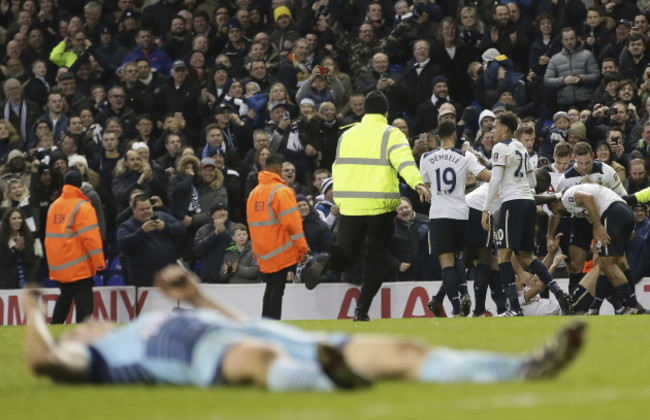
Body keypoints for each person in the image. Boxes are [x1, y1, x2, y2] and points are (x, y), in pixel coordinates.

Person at [23, 264, 587, 389]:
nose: (90, 324)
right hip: (215, 359)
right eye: (79, 328)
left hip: (284, 337)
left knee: (404, 346)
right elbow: (44, 361)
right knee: (259, 363)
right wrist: (33, 312)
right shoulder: (107, 356)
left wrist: (196, 296)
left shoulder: (141, 322)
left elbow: (242, 320)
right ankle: (332, 379)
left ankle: (521, 367)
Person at [301, 91, 431, 322]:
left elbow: (337, 168)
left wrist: (339, 200)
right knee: (376, 261)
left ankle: (324, 260)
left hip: (350, 207)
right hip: (379, 208)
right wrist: (418, 183)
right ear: (385, 112)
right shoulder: (391, 133)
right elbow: (405, 162)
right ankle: (361, 310)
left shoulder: (346, 135)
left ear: (365, 111)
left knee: (346, 256)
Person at [481, 112, 573, 317]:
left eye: (495, 127)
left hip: (511, 203)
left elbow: (494, 180)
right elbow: (532, 182)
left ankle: (514, 308)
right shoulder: (521, 148)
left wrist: (486, 209)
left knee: (503, 256)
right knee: (527, 256)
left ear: (505, 129)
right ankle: (559, 293)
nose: (492, 130)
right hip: (529, 203)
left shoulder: (500, 147)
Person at [420, 120, 491, 317]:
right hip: (460, 214)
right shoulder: (464, 155)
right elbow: (486, 176)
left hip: (439, 214)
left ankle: (457, 307)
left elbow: (424, 186)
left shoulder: (426, 157)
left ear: (437, 137)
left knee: (447, 264)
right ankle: (463, 297)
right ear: (454, 135)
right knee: (458, 257)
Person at [542, 184, 645, 315]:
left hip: (613, 213)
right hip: (623, 212)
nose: (558, 215)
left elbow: (588, 198)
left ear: (554, 205)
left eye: (555, 212)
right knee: (618, 262)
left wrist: (597, 226)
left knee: (607, 265)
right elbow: (593, 219)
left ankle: (632, 304)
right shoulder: (580, 209)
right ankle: (598, 307)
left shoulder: (567, 197)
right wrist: (597, 249)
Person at [247, 154, 309, 320]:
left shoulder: (254, 193)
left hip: (262, 250)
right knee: (277, 290)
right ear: (276, 168)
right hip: (280, 248)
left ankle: (265, 324)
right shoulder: (281, 191)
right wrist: (303, 248)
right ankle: (273, 326)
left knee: (270, 288)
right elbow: (292, 224)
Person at [44, 169, 105, 324]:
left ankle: (54, 329)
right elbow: (91, 239)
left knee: (64, 298)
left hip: (59, 266)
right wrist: (99, 263)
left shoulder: (53, 206)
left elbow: (50, 238)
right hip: (79, 266)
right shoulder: (83, 207)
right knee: (84, 306)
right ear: (80, 184)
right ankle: (81, 337)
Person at [116, 193, 185, 287]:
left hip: (169, 276)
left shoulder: (163, 216)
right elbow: (123, 244)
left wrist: (166, 227)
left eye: (148, 208)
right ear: (134, 210)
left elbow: (182, 228)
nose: (146, 212)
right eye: (142, 209)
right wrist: (141, 231)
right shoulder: (126, 226)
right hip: (143, 281)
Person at [0, 207, 40, 288]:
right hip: (8, 284)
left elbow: (31, 262)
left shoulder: (28, 237)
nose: (17, 221)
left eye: (19, 218)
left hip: (27, 283)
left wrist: (23, 250)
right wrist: (14, 249)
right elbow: (3, 262)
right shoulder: (2, 239)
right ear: (8, 221)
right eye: (14, 219)